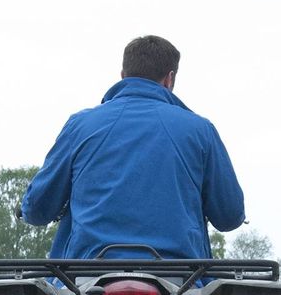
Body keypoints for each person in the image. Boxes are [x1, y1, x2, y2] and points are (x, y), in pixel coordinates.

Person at [22, 35, 245, 260]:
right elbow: (229, 216)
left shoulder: (80, 126)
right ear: (169, 79)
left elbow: (37, 210)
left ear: (122, 76)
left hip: (84, 275)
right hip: (181, 277)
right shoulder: (200, 130)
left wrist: (27, 208)